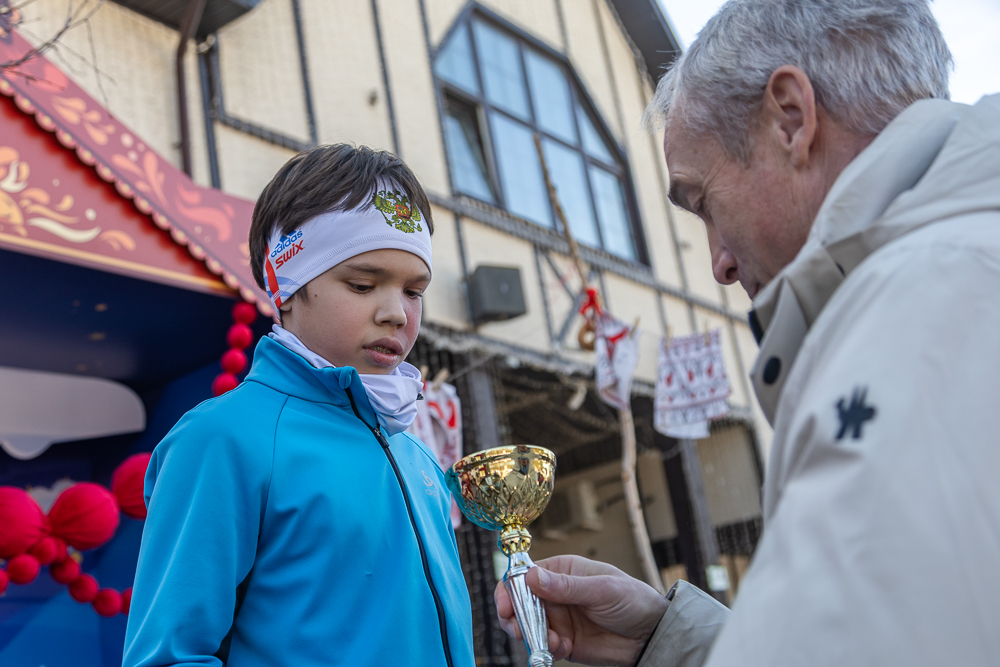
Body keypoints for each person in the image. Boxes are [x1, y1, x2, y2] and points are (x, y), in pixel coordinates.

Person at [496, 0, 1000, 665]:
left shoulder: (922, 305)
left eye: (703, 201)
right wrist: (666, 639)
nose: (719, 263)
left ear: (791, 117)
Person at [124, 145, 474, 667]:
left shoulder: (417, 455)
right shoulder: (222, 440)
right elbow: (167, 656)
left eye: (414, 290)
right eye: (362, 284)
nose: (396, 313)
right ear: (285, 286)